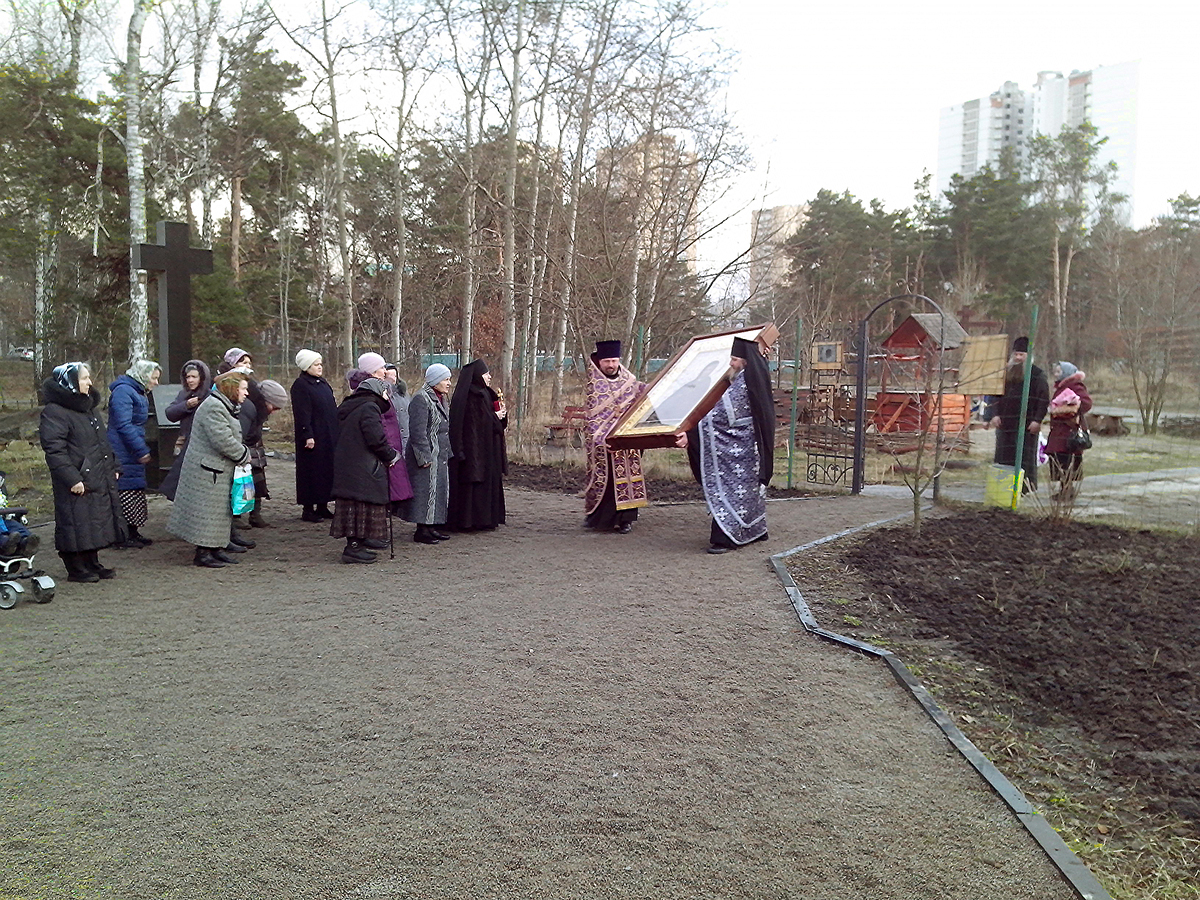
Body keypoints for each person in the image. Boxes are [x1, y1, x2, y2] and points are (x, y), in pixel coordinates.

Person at [683, 337, 775, 554]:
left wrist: (690, 429)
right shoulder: (754, 375)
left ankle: (724, 538)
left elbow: (719, 417)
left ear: (745, 361)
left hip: (738, 449)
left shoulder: (743, 382)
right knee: (749, 493)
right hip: (750, 447)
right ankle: (754, 530)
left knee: (732, 492)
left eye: (734, 359)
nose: (731, 363)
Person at [38, 362, 125, 582]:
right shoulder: (55, 411)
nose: (90, 382)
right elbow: (54, 449)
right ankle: (75, 567)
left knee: (93, 520)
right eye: (84, 378)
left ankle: (92, 562)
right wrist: (72, 478)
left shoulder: (89, 408)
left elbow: (102, 442)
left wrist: (114, 466)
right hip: (76, 478)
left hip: (95, 474)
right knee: (74, 521)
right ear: (70, 383)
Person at [167, 372, 251, 568]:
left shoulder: (221, 405)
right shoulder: (214, 407)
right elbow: (223, 440)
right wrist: (244, 454)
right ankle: (203, 553)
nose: (246, 393)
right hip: (207, 471)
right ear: (232, 389)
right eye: (243, 389)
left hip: (215, 469)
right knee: (207, 514)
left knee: (218, 513)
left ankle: (215, 548)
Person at [331, 376, 400, 563]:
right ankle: (354, 547)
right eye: (385, 392)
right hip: (363, 466)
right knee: (361, 506)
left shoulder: (351, 406)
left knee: (353, 507)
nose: (387, 396)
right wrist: (390, 455)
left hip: (349, 465)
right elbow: (375, 438)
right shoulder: (369, 408)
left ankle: (357, 544)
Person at [583, 340, 647, 534]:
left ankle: (626, 519)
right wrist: (603, 439)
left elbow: (643, 396)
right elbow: (592, 419)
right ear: (600, 362)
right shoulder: (594, 385)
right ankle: (600, 518)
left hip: (628, 439)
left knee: (628, 477)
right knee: (607, 480)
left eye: (614, 361)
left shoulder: (629, 380)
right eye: (607, 362)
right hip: (604, 443)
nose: (611, 365)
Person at [447, 359, 508, 531]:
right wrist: (495, 418)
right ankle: (471, 521)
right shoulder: (470, 396)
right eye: (486, 374)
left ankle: (486, 519)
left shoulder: (486, 393)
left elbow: (487, 420)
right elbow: (476, 423)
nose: (489, 377)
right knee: (473, 487)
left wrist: (500, 416)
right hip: (474, 450)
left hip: (487, 449)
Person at [107, 359, 161, 548]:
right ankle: (122, 535)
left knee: (134, 490)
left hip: (131, 447)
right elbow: (123, 424)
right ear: (143, 376)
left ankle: (132, 531)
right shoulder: (124, 392)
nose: (156, 382)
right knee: (125, 491)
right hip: (123, 449)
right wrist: (140, 449)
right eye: (154, 378)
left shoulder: (136, 392)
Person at [348, 368, 414, 521]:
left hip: (395, 440)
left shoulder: (399, 394)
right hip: (384, 446)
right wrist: (387, 452)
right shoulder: (370, 407)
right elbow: (375, 433)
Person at [988, 336, 1049, 492]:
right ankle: (1003, 487)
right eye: (1016, 354)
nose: (1018, 358)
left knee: (1025, 457)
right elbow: (994, 395)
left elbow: (1043, 399)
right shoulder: (1005, 373)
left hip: (1027, 424)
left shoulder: (1037, 375)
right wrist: (994, 414)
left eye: (1021, 355)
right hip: (1005, 424)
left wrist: (1037, 420)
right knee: (1004, 456)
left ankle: (1025, 488)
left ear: (1029, 356)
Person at [402, 363, 452, 544]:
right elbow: (417, 432)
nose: (449, 383)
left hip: (439, 454)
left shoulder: (441, 398)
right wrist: (424, 457)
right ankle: (422, 530)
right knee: (425, 492)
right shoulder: (421, 399)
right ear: (435, 380)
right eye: (445, 379)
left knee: (437, 491)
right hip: (426, 455)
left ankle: (431, 527)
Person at [290, 349, 338, 521]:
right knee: (311, 471)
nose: (320, 367)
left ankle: (323, 505)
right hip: (312, 436)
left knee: (326, 470)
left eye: (320, 364)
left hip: (327, 434)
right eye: (316, 364)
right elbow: (302, 412)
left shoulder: (322, 383)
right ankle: (308, 508)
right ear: (306, 366)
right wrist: (307, 434)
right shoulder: (301, 385)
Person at [159, 359, 211, 502]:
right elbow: (170, 413)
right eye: (188, 377)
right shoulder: (184, 395)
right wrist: (186, 405)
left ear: (202, 378)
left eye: (194, 377)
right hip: (185, 442)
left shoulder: (210, 396)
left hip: (202, 446)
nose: (190, 380)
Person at [1045, 361, 1092, 500]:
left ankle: (1067, 490)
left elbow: (1086, 403)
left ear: (1066, 373)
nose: (1056, 374)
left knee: (1066, 459)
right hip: (1060, 430)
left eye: (1059, 371)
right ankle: (1066, 489)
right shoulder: (1062, 386)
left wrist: (1070, 409)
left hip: (1068, 431)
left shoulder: (1075, 386)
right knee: (1059, 459)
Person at [383, 363, 410, 443]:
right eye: (389, 377)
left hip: (407, 440)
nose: (393, 379)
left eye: (394, 376)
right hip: (390, 441)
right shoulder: (382, 396)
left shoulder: (404, 394)